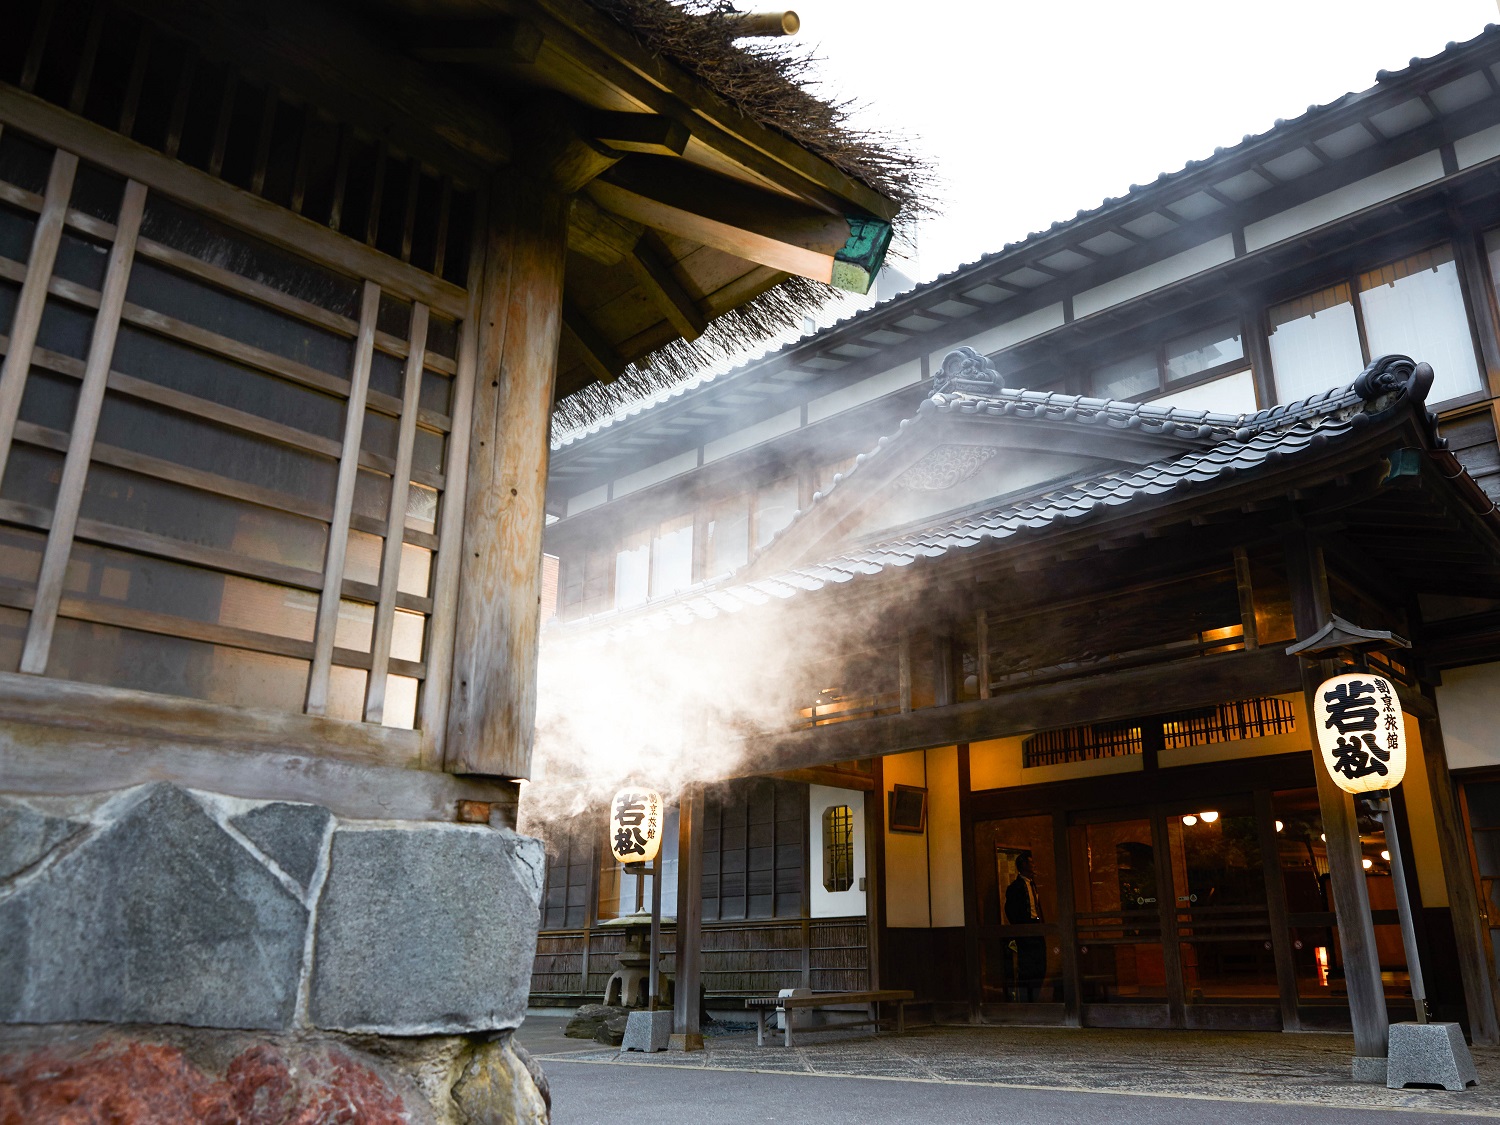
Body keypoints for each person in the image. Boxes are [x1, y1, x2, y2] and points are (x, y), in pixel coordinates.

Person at [1004, 853, 1047, 1001]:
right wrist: (1019, 926)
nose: (1034, 866)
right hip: (1025, 928)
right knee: (1027, 964)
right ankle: (1026, 998)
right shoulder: (1015, 887)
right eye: (1031, 863)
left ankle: (1035, 996)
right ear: (1024, 866)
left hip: (1036, 926)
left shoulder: (1033, 885)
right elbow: (1010, 910)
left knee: (1040, 963)